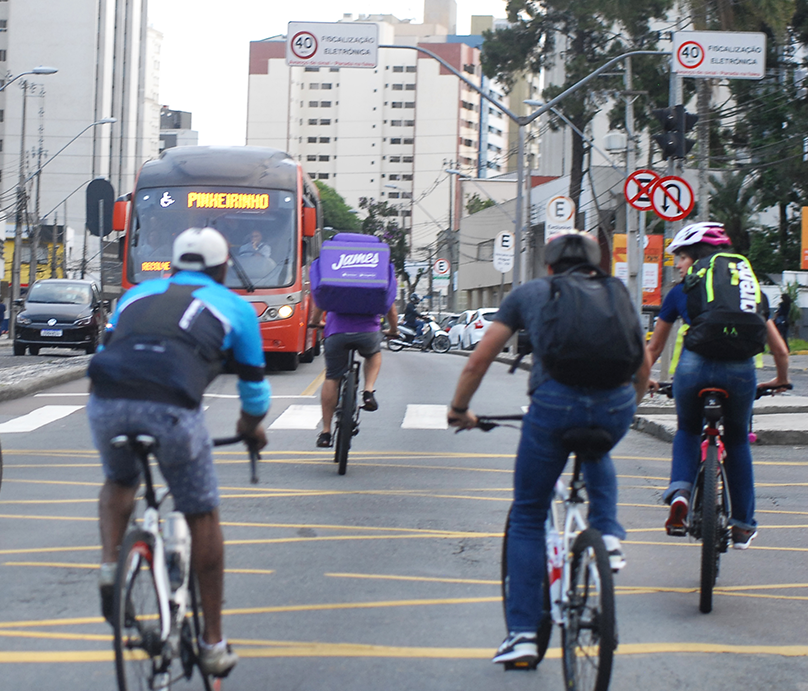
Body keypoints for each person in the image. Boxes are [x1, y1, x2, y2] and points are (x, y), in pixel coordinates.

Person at [447, 231, 651, 666]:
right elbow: (642, 363)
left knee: (527, 515)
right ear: (598, 264)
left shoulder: (531, 293)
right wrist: (627, 404)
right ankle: (609, 535)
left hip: (553, 404)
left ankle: (522, 634)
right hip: (614, 403)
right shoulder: (616, 292)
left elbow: (479, 359)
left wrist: (460, 408)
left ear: (550, 266)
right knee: (597, 450)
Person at [88, 226, 270, 677]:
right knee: (202, 513)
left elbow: (114, 346)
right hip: (170, 409)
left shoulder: (134, 296)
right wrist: (251, 430)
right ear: (223, 268)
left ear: (172, 264)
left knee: (120, 481)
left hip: (105, 400)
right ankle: (212, 643)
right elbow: (255, 394)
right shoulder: (236, 308)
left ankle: (111, 564)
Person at [646, 222, 789, 550]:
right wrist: (781, 379)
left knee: (688, 430)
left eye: (680, 257)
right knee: (737, 440)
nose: (678, 265)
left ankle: (680, 493)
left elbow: (652, 350)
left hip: (693, 369)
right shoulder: (751, 291)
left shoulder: (680, 292)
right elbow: (780, 349)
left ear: (694, 256)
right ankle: (742, 526)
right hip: (740, 373)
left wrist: (645, 381)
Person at [310, 275, 399, 448]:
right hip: (368, 332)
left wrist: (315, 322)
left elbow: (321, 301)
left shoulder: (337, 271)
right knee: (373, 354)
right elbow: (392, 310)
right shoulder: (380, 272)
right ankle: (368, 390)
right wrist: (393, 330)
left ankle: (326, 433)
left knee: (332, 377)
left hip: (337, 332)